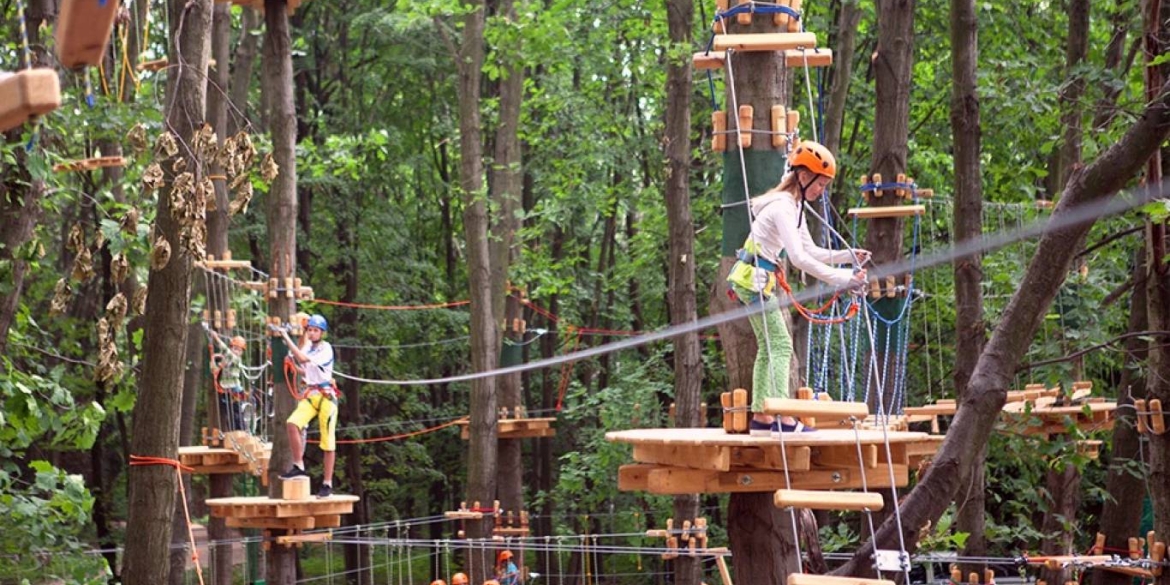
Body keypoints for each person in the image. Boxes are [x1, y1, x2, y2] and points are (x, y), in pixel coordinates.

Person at [726, 140, 869, 435]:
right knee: (780, 346)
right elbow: (799, 259)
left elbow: (811, 250)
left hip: (753, 281)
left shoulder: (794, 207)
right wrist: (844, 279)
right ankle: (781, 416)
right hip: (752, 282)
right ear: (803, 177)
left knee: (769, 348)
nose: (822, 192)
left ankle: (762, 418)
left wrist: (849, 256)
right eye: (820, 184)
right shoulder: (783, 207)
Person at [277, 314, 338, 498]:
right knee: (292, 423)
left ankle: (327, 483)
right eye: (309, 330)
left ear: (322, 333)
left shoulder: (326, 349)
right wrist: (294, 368)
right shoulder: (308, 347)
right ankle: (299, 465)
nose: (311, 333)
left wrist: (286, 337)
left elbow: (302, 359)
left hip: (326, 397)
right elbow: (305, 366)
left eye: (315, 330)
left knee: (327, 442)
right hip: (311, 394)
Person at [209, 330, 248, 431]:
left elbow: (225, 350)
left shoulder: (235, 359)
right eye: (235, 349)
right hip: (226, 389)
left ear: (242, 352)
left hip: (234, 389)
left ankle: (241, 431)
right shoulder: (227, 359)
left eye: (239, 350)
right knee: (228, 412)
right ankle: (234, 432)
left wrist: (216, 338)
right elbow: (218, 368)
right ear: (232, 348)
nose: (236, 351)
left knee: (236, 412)